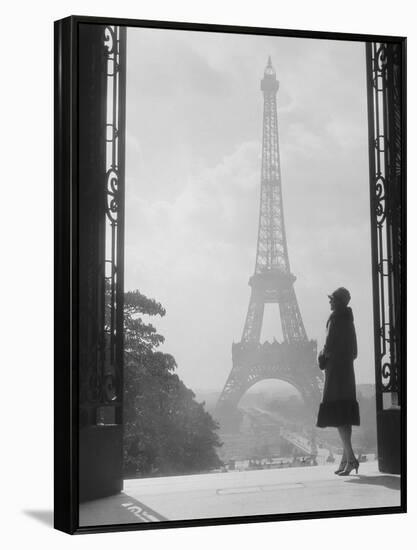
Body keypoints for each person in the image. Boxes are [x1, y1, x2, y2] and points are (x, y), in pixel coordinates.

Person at [316, 287, 360, 476]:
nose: (330, 302)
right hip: (347, 372)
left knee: (339, 417)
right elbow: (355, 352)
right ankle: (345, 460)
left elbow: (328, 345)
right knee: (345, 416)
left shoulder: (335, 319)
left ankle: (351, 459)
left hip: (335, 373)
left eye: (332, 299)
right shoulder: (349, 320)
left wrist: (321, 358)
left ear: (339, 302)